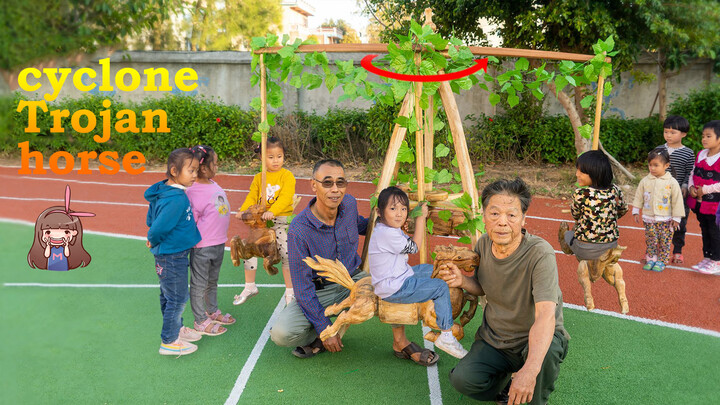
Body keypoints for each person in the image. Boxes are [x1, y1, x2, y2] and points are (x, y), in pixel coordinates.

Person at [269, 159, 439, 366]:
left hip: (355, 278)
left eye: (340, 183)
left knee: (394, 281)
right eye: (327, 183)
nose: (335, 190)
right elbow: (302, 288)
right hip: (320, 290)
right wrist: (325, 329)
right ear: (314, 185)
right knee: (282, 334)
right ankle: (319, 331)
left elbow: (363, 227)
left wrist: (398, 215)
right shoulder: (299, 230)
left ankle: (400, 343)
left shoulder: (348, 204)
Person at [439, 178, 569, 405]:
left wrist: (530, 370)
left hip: (534, 339)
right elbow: (483, 287)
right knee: (462, 380)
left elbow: (546, 315)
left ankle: (535, 393)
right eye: (495, 214)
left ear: (523, 218)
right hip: (496, 339)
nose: (502, 222)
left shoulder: (540, 253)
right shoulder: (482, 244)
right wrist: (462, 281)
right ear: (484, 216)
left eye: (511, 215)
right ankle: (505, 385)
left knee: (541, 362)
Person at [369, 186, 467, 359]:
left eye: (403, 209)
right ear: (379, 211)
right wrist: (421, 217)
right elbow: (415, 247)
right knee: (440, 286)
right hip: (395, 287)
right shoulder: (386, 234)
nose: (399, 214)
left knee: (431, 270)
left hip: (401, 275)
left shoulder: (385, 226)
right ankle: (446, 335)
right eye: (393, 209)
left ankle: (439, 306)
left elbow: (402, 240)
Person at [145, 148, 203, 356]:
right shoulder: (175, 199)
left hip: (171, 254)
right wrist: (153, 238)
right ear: (174, 170)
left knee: (169, 295)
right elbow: (158, 226)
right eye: (191, 170)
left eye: (196, 170)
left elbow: (151, 218)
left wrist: (153, 237)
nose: (195, 175)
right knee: (177, 298)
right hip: (172, 256)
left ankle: (176, 329)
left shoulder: (167, 191)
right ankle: (169, 341)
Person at [234, 136, 296, 306]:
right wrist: (243, 211)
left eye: (279, 156)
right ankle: (250, 286)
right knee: (249, 249)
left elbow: (285, 198)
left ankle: (290, 291)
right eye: (270, 157)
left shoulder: (287, 176)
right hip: (261, 222)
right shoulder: (259, 178)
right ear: (262, 158)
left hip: (280, 221)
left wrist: (272, 211)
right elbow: (252, 197)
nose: (276, 161)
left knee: (286, 253)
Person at [186, 145, 234, 337]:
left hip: (218, 243)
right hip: (202, 247)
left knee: (212, 280)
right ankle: (199, 320)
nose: (218, 165)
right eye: (215, 163)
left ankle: (211, 310)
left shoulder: (213, 184)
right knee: (199, 283)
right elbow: (190, 222)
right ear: (203, 168)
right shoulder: (192, 191)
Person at [559, 150, 628, 260]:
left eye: (581, 172)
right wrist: (607, 216)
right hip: (611, 248)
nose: (577, 174)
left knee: (568, 235)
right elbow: (623, 209)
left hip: (586, 249)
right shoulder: (616, 190)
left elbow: (575, 215)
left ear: (594, 173)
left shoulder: (580, 193)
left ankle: (566, 245)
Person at [631, 148, 684, 272]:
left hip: (666, 219)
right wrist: (635, 210)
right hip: (649, 218)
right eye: (650, 165)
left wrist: (677, 218)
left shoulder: (672, 182)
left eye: (656, 165)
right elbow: (639, 196)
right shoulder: (645, 181)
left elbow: (677, 200)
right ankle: (651, 258)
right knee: (651, 239)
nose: (652, 168)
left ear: (666, 165)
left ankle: (662, 260)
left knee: (665, 241)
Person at [658, 115, 694, 264]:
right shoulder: (658, 150)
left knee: (679, 224)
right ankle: (659, 250)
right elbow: (652, 170)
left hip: (680, 196)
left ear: (683, 134)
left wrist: (685, 186)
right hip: (661, 196)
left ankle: (677, 251)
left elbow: (690, 172)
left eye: (673, 132)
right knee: (659, 223)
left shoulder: (688, 153)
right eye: (666, 132)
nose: (669, 135)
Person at [688, 120, 720, 275]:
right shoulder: (701, 154)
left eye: (709, 136)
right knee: (705, 230)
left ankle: (716, 261)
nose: (704, 139)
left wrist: (705, 189)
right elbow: (693, 173)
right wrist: (691, 188)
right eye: (703, 136)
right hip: (701, 203)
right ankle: (707, 257)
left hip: (715, 205)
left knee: (715, 232)